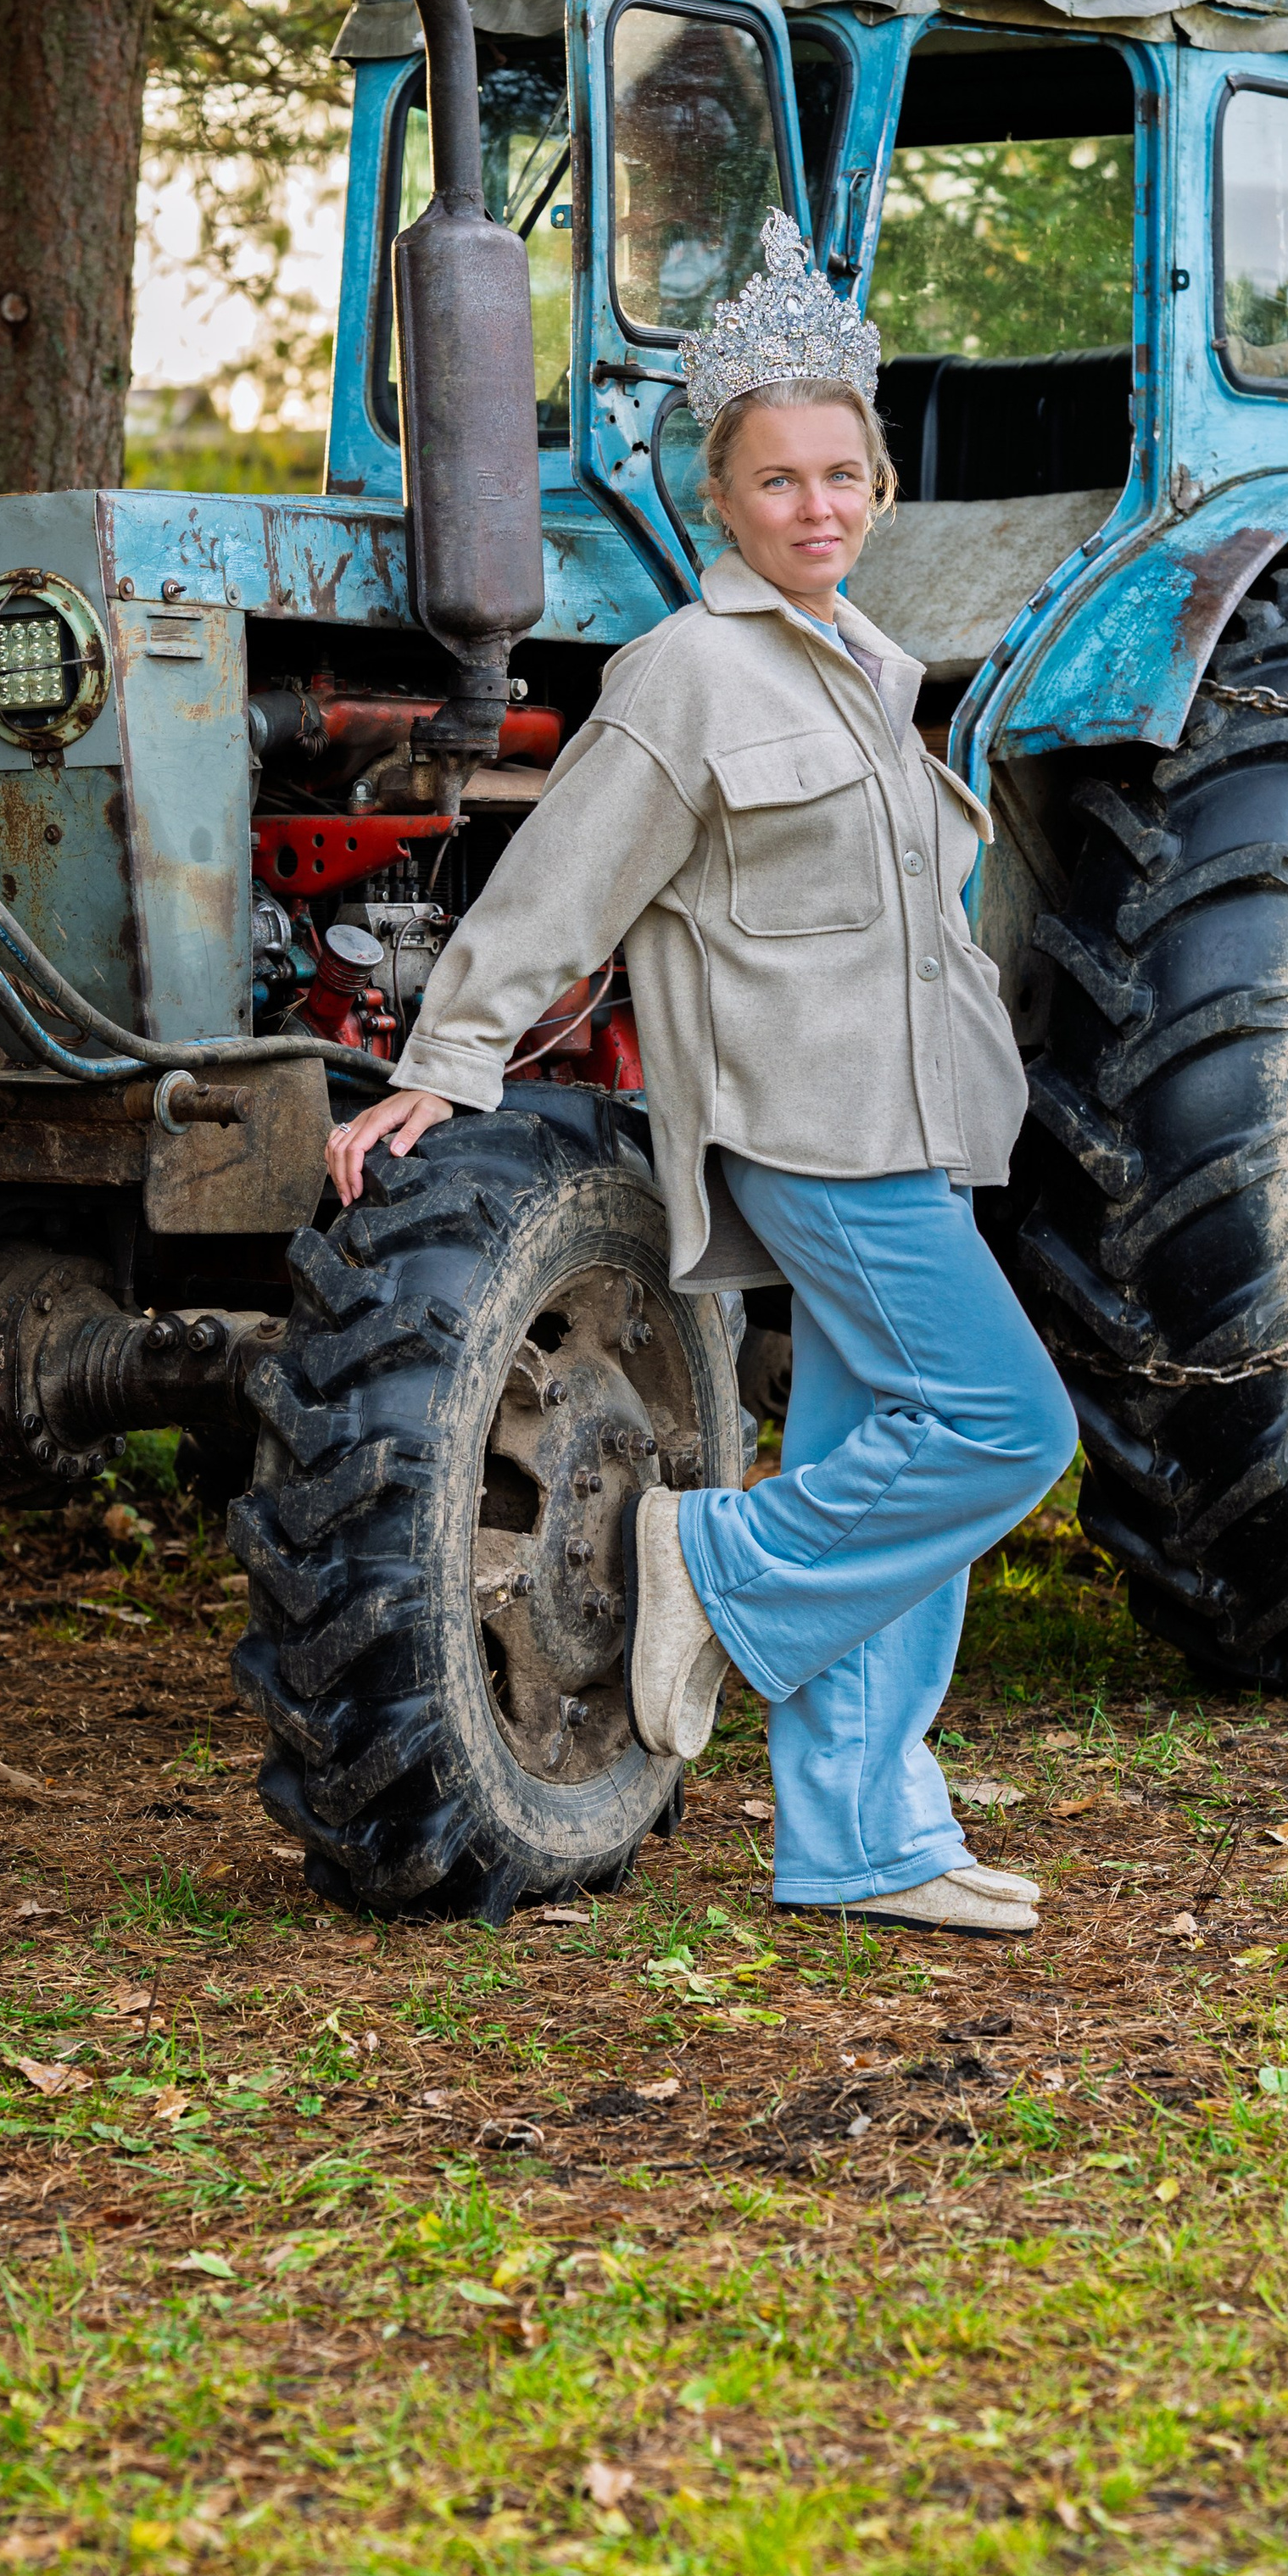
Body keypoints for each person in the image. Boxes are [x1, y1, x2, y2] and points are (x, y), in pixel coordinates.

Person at [326, 211, 1079, 1938]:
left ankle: (857, 1835)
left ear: (877, 491)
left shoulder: (868, 671)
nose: (813, 507)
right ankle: (716, 1563)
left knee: (889, 1457)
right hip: (811, 1133)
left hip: (916, 1122)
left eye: (839, 476)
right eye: (773, 482)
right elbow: (558, 886)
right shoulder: (686, 673)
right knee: (995, 1424)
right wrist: (441, 1064)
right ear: (716, 501)